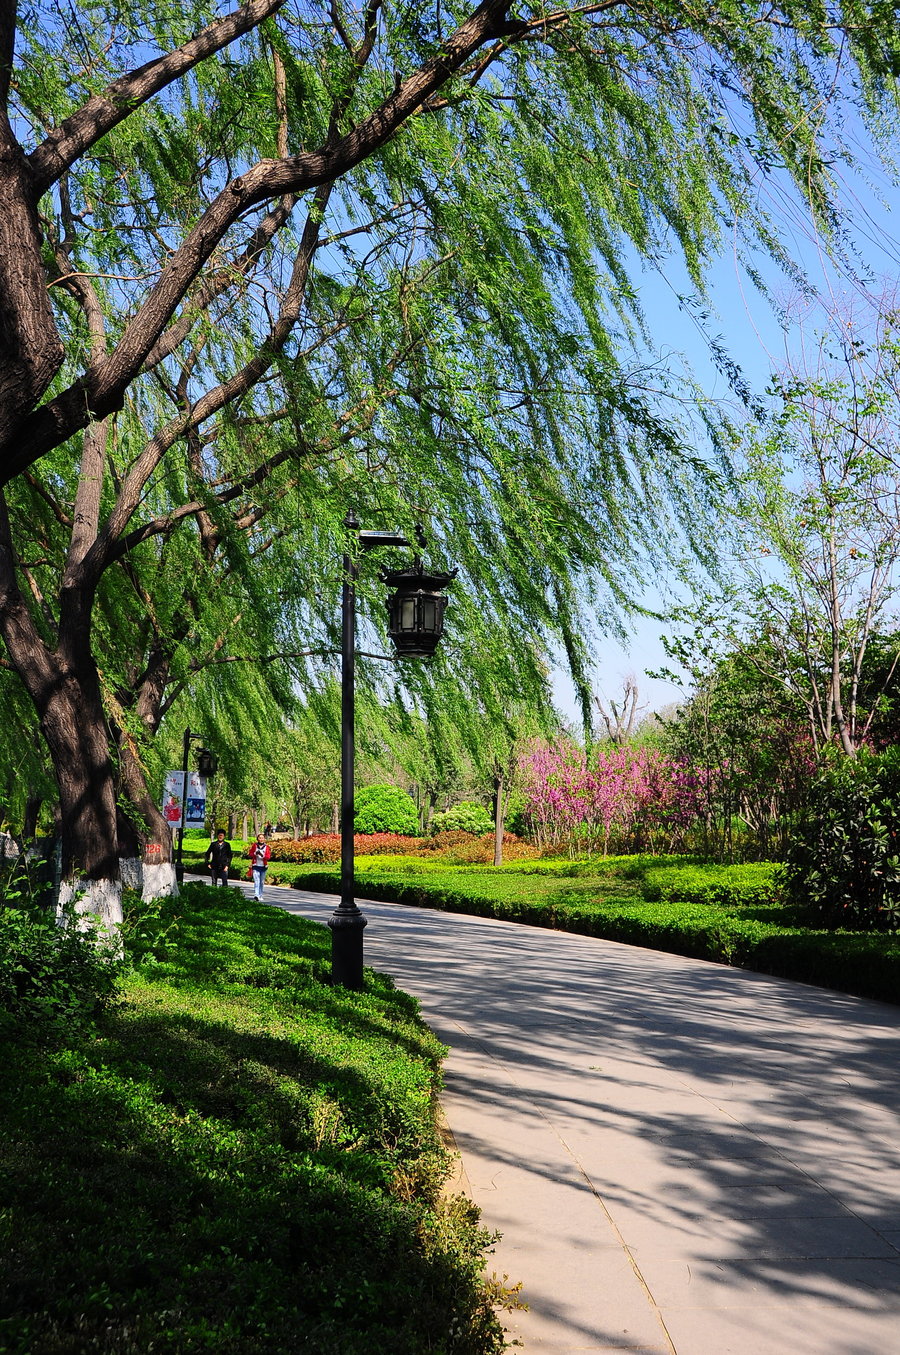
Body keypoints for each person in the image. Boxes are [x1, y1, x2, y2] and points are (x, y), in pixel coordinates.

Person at [247, 833, 271, 901]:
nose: (261, 839)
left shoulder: (267, 847)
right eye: (260, 838)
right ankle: (256, 895)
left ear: (264, 839)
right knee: (256, 881)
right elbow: (250, 854)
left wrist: (262, 855)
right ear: (257, 839)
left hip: (263, 866)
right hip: (256, 866)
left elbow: (268, 856)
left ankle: (260, 895)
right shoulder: (255, 846)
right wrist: (255, 853)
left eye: (262, 838)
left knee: (261, 882)